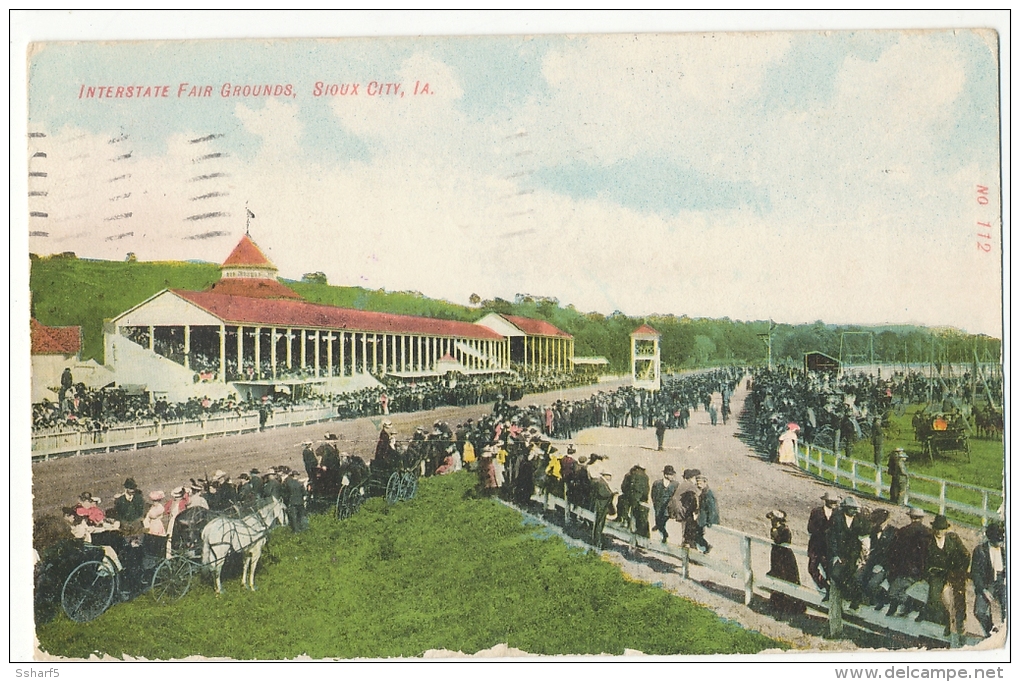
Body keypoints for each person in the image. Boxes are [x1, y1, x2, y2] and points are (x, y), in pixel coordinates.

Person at [921, 515, 970, 639]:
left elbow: (966, 555)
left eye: (942, 529)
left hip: (953, 573)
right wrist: (928, 574)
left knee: (958, 594)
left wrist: (960, 572)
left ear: (946, 529)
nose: (939, 532)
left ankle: (960, 623)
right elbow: (924, 561)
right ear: (933, 528)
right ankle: (947, 622)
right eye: (937, 528)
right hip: (937, 574)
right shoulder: (928, 541)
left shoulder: (953, 539)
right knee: (936, 596)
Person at [885, 507, 931, 616]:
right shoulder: (928, 533)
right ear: (922, 518)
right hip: (920, 570)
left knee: (892, 592)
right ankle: (906, 606)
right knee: (901, 590)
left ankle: (910, 604)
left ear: (910, 517)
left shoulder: (903, 531)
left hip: (905, 568)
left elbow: (895, 551)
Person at [827, 496, 869, 609]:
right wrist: (836, 554)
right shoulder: (837, 518)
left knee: (851, 575)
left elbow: (864, 535)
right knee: (835, 574)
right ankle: (850, 595)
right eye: (852, 509)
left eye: (856, 509)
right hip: (841, 553)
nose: (855, 511)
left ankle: (855, 598)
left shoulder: (859, 519)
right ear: (846, 508)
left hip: (853, 553)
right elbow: (832, 537)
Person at [765, 510, 806, 614]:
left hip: (785, 557)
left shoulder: (785, 530)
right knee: (777, 576)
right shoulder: (773, 529)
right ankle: (777, 604)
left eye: (774, 519)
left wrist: (776, 535)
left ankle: (793, 606)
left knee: (788, 578)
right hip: (776, 556)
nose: (772, 522)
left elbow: (783, 542)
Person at [971, 521, 1006, 637]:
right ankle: (992, 632)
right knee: (979, 611)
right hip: (988, 583)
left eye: (1002, 540)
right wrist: (984, 590)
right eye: (998, 540)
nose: (1001, 543)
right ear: (991, 539)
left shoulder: (1006, 550)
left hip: (1003, 581)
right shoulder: (980, 550)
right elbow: (975, 573)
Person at [861, 508, 895, 608]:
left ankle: (880, 600)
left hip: (886, 566)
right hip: (873, 563)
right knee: (859, 579)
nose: (875, 524)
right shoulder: (874, 531)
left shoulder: (892, 533)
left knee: (872, 584)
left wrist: (883, 567)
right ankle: (867, 602)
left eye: (877, 522)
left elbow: (892, 554)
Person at [807, 491, 840, 591]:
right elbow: (810, 528)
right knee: (812, 568)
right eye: (831, 501)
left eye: (835, 502)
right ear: (826, 501)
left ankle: (830, 592)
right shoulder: (816, 512)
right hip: (816, 546)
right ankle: (824, 586)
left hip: (829, 548)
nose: (834, 504)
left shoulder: (838, 514)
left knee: (829, 570)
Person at [619, 464, 650, 538]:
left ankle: (626, 523)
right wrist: (644, 498)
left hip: (629, 496)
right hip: (639, 499)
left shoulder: (630, 474)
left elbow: (623, 486)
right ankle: (636, 532)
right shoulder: (646, 477)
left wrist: (627, 493)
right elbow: (646, 490)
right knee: (637, 515)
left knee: (629, 512)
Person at [651, 465, 678, 543]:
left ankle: (664, 535)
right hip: (659, 506)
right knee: (658, 520)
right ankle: (662, 532)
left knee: (663, 521)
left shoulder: (675, 484)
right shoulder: (657, 483)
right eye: (671, 475)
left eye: (673, 475)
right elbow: (653, 494)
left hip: (668, 507)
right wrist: (655, 503)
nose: (672, 476)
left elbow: (676, 495)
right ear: (665, 475)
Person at [591, 471, 617, 550]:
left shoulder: (600, 481)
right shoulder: (601, 483)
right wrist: (613, 493)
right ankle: (597, 541)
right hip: (601, 505)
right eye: (609, 476)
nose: (610, 478)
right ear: (605, 475)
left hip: (601, 505)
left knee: (598, 522)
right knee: (599, 523)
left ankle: (596, 540)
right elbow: (603, 494)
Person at [694, 474, 719, 553]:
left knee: (698, 535)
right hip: (702, 519)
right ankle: (705, 548)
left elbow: (712, 509)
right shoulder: (703, 492)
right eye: (697, 483)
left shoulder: (708, 493)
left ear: (705, 482)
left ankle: (707, 547)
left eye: (700, 483)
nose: (698, 485)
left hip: (706, 520)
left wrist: (710, 522)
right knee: (697, 535)